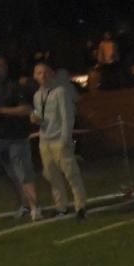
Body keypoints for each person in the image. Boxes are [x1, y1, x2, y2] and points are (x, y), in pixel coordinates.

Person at [0, 56, 40, 219]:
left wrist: (0, 110)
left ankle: (35, 208)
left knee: (23, 173)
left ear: (5, 69)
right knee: (13, 176)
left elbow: (26, 109)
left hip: (16, 137)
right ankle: (25, 205)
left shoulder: (14, 87)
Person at [29, 61, 87, 219]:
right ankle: (61, 206)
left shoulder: (60, 92)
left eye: (46, 72)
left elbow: (67, 116)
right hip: (44, 141)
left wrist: (65, 139)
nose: (43, 75)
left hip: (58, 140)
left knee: (71, 174)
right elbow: (42, 117)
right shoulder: (37, 95)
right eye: (39, 73)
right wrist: (35, 118)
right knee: (52, 176)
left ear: (52, 74)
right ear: (35, 76)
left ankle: (80, 205)